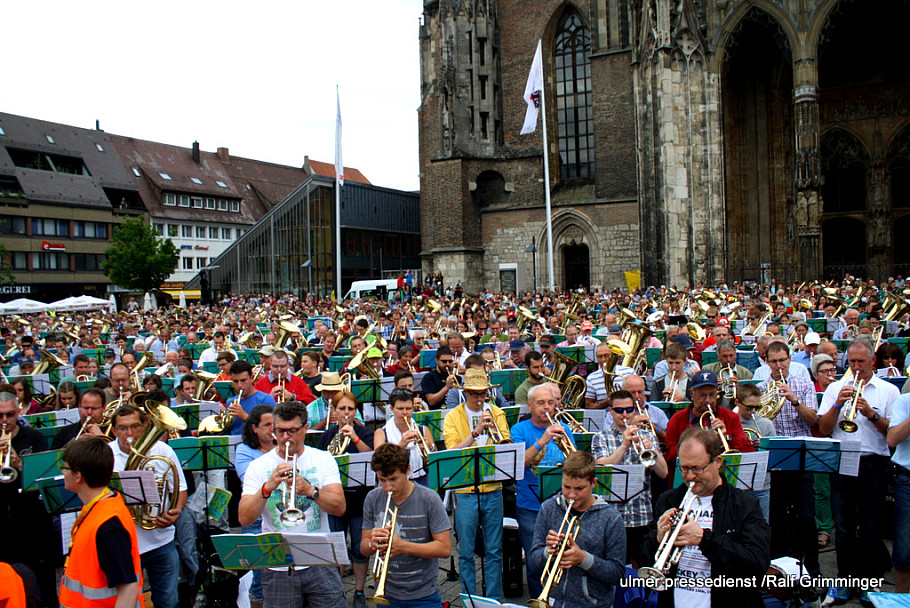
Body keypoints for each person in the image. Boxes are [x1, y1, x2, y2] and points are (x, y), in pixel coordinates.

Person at [641, 427, 771, 608]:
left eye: (697, 468)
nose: (690, 476)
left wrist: (704, 539)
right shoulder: (669, 500)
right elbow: (646, 560)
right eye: (684, 468)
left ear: (717, 462)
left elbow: (756, 565)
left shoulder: (744, 505)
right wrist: (656, 539)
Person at [238, 401, 346, 608]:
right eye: (280, 431)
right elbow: (244, 518)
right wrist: (268, 487)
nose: (285, 438)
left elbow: (339, 507)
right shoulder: (257, 466)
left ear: (306, 428)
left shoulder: (323, 459)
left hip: (320, 560)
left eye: (292, 431)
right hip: (278, 565)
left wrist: (310, 490)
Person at [817, 338, 898, 604]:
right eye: (852, 362)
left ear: (873, 360)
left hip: (875, 463)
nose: (856, 367)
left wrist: (872, 414)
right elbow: (824, 429)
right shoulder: (835, 388)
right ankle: (845, 580)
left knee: (870, 529)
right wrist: (837, 405)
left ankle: (868, 582)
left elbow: (892, 434)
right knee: (844, 528)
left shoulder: (888, 391)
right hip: (844, 461)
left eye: (861, 361)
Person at [108, 403, 187, 608]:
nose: (129, 433)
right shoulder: (106, 455)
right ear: (114, 431)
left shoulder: (163, 450)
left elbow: (180, 489)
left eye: (135, 426)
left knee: (168, 601)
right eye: (123, 428)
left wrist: (176, 511)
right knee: (128, 602)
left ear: (144, 426)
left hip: (161, 540)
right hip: (124, 544)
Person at [442, 369, 511, 600]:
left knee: (494, 550)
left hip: (493, 488)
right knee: (466, 551)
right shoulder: (453, 416)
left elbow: (506, 447)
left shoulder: (497, 413)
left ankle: (492, 599)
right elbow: (451, 452)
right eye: (475, 394)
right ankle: (469, 599)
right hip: (465, 490)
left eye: (483, 394)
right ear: (466, 393)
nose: (480, 399)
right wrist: (475, 432)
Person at [529, 451, 626, 608]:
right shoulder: (548, 508)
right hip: (554, 602)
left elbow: (617, 574)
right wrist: (548, 551)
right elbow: (534, 560)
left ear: (593, 483)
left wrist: (583, 559)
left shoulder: (611, 518)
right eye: (566, 487)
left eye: (580, 488)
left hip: (593, 604)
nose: (572, 495)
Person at [757, 341, 821, 575]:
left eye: (782, 360)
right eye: (774, 361)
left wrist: (794, 399)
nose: (779, 365)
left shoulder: (804, 385)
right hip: (773, 460)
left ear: (790, 359)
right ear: (767, 362)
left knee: (805, 516)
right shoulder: (761, 389)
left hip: (801, 457)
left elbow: (813, 420)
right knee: (776, 517)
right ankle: (781, 570)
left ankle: (812, 570)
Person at [361, 443, 451, 608]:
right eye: (382, 480)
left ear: (408, 470)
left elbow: (444, 549)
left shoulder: (429, 499)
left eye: (394, 479)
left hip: (423, 594)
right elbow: (364, 549)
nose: (388, 487)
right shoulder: (372, 498)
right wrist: (371, 544)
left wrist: (403, 547)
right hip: (387, 592)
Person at [59, 436, 144, 608]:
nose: (62, 473)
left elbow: (128, 590)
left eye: (65, 468)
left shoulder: (108, 526)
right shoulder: (98, 509)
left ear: (78, 476)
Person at [509, 383, 576, 597]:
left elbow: (576, 465)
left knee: (563, 557)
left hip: (562, 505)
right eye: (541, 403)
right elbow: (518, 465)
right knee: (535, 560)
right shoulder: (519, 430)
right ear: (529, 405)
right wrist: (543, 441)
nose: (547, 407)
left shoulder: (564, 429)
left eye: (550, 403)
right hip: (530, 505)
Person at [592, 390, 668, 568]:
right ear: (610, 411)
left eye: (629, 409)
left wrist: (653, 450)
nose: (625, 414)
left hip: (641, 514)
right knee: (616, 568)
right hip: (612, 516)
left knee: (643, 566)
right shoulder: (601, 437)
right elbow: (601, 468)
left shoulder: (647, 435)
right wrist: (625, 445)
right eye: (619, 410)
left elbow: (663, 472)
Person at [316, 391, 374, 607]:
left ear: (355, 411)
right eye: (342, 409)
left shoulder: (364, 432)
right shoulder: (327, 435)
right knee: (335, 547)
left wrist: (355, 438)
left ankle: (359, 591)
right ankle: (336, 590)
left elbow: (373, 459)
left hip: (359, 500)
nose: (346, 413)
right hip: (334, 500)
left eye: (350, 409)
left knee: (359, 548)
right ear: (335, 410)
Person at [374, 389, 435, 485]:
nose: (405, 412)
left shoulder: (423, 430)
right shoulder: (381, 433)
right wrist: (400, 446)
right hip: (392, 481)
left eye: (408, 408)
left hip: (421, 480)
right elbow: (379, 461)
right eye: (400, 409)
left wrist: (429, 447)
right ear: (392, 409)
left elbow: (435, 460)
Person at [732, 384, 773, 521]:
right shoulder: (731, 422)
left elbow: (773, 456)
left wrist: (763, 446)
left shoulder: (766, 424)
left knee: (762, 523)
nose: (753, 411)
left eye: (757, 407)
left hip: (762, 485)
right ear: (737, 402)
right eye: (749, 407)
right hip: (737, 484)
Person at [888, 393, 910, 593]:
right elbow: (893, 439)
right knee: (903, 552)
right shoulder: (905, 401)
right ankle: (902, 601)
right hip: (907, 480)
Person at [225, 360, 277, 435]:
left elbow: (272, 428)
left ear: (252, 378)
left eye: (243, 380)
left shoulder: (265, 399)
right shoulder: (230, 402)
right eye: (235, 381)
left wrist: (245, 416)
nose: (239, 385)